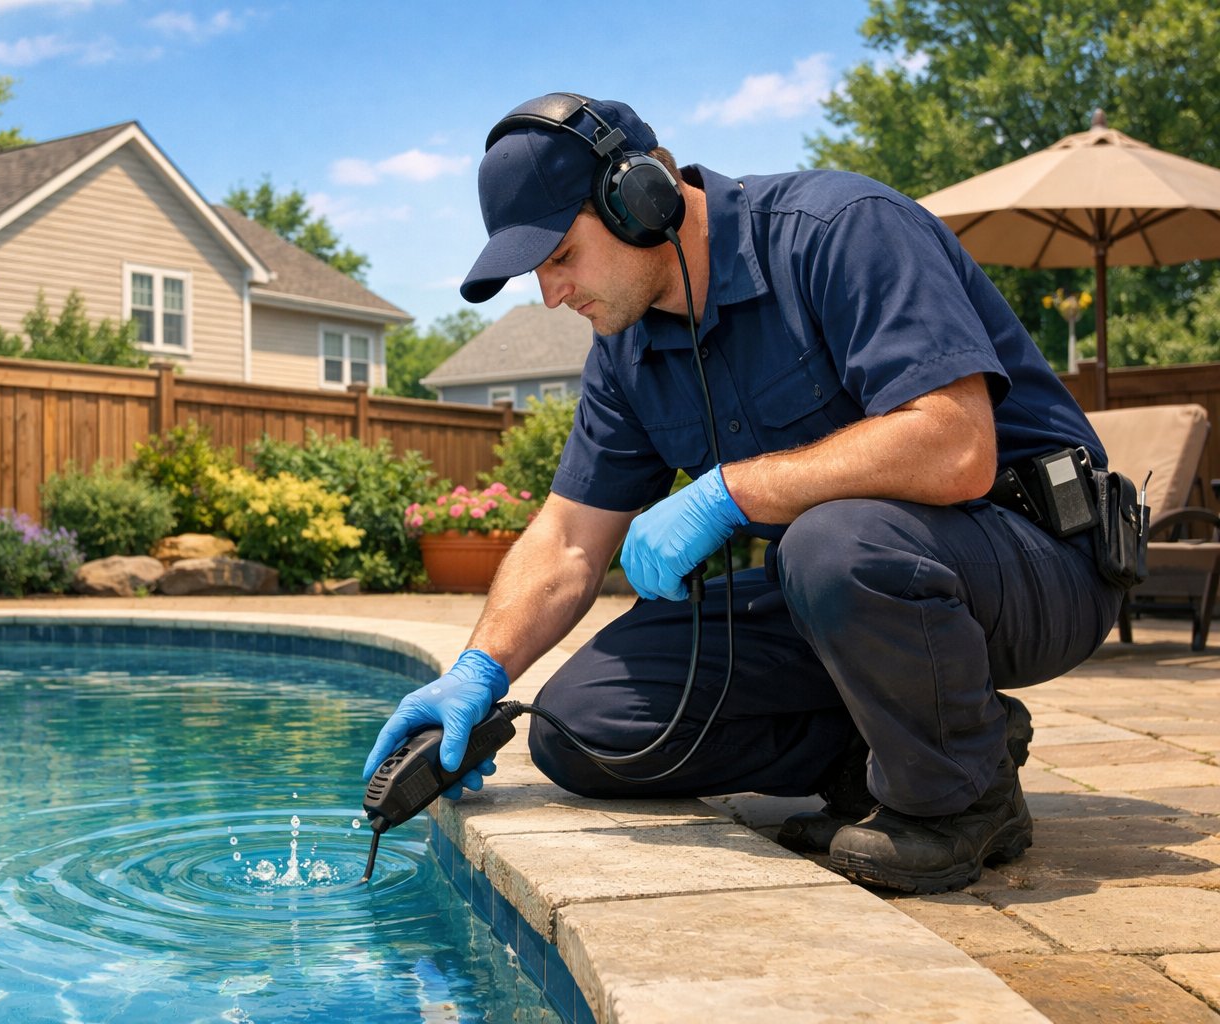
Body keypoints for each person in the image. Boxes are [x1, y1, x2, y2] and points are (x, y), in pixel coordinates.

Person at [363, 93, 1127, 894]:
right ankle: (909, 749)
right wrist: (479, 669)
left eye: (559, 256)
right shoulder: (626, 351)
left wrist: (732, 491)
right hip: (850, 586)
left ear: (639, 199)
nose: (551, 294)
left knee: (833, 543)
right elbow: (567, 540)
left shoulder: (841, 230)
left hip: (1035, 559)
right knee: (586, 727)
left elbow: (956, 445)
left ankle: (961, 799)